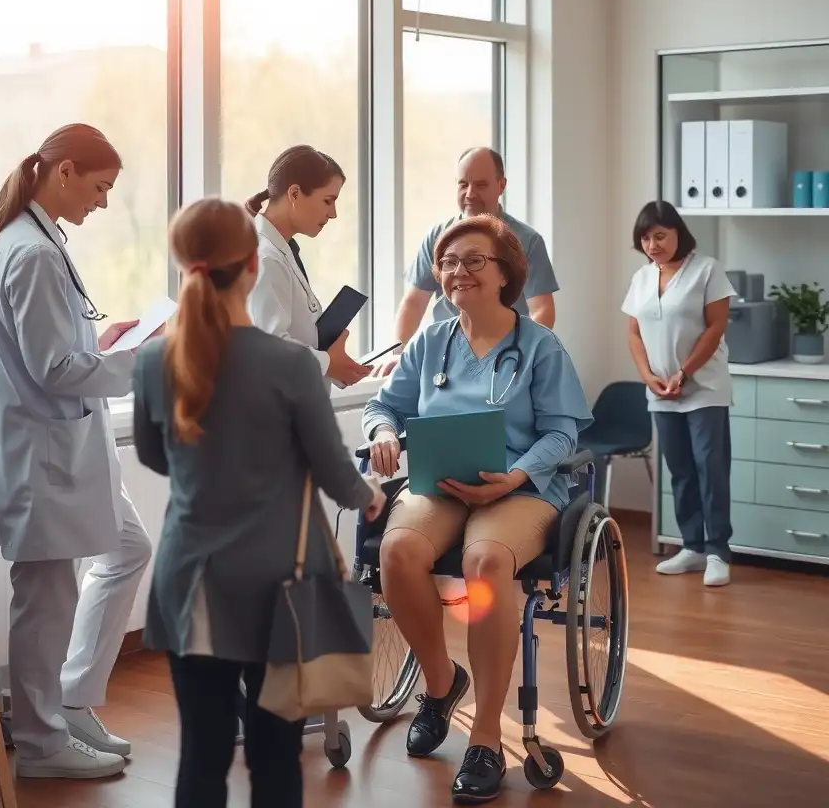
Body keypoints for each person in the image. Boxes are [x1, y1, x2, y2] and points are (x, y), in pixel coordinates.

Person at [133, 197, 386, 808]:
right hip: (280, 588)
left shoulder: (151, 359)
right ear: (252, 263)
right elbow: (332, 471)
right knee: (276, 757)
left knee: (202, 754)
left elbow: (155, 458)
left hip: (190, 581)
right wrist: (368, 495)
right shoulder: (291, 363)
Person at [362, 213, 591, 803]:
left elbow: (563, 435)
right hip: (438, 484)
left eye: (472, 261)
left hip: (516, 488)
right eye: (448, 263)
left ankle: (486, 735)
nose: (457, 272)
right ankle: (441, 682)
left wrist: (513, 475)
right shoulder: (430, 340)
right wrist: (384, 431)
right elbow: (383, 406)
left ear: (505, 274)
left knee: (486, 564)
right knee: (398, 548)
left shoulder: (540, 347)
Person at [0, 123, 155, 779]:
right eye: (99, 188)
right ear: (64, 171)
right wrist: (145, 361)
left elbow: (59, 355)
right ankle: (41, 745)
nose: (101, 202)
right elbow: (55, 371)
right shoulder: (32, 251)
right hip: (43, 453)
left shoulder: (38, 241)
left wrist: (109, 345)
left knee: (128, 547)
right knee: (44, 600)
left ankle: (70, 700)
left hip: (61, 445)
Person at [622, 200, 736, 587]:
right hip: (661, 391)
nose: (653, 244)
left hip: (704, 388)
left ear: (677, 233)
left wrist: (684, 373)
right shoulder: (641, 278)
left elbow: (716, 327)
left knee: (711, 468)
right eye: (646, 237)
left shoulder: (707, 270)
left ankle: (718, 551)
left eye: (660, 235)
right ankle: (692, 547)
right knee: (681, 471)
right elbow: (634, 333)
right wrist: (648, 377)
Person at [374, 147, 558, 377]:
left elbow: (542, 309)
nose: (470, 194)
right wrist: (398, 353)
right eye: (463, 184)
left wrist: (522, 354)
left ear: (501, 185)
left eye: (480, 185)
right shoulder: (438, 236)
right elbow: (413, 302)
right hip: (445, 361)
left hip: (504, 360)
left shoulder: (526, 241)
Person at [245, 144, 370, 388]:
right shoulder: (265, 258)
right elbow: (269, 350)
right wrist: (328, 363)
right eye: (327, 201)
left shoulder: (281, 251)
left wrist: (335, 363)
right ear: (294, 194)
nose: (333, 213)